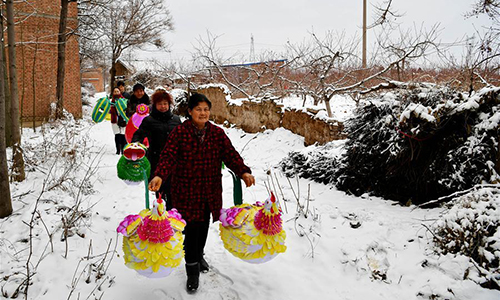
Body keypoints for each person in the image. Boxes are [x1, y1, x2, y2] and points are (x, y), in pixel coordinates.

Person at [149, 93, 255, 294]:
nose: (203, 113)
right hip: (185, 191)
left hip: (209, 190)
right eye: (199, 109)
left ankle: (198, 255)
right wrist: (160, 176)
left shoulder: (217, 133)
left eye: (206, 109)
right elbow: (168, 156)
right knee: (190, 229)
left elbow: (230, 154)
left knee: (203, 225)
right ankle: (192, 270)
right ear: (190, 111)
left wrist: (243, 171)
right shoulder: (179, 133)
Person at [131, 90, 181, 206]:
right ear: (155, 105)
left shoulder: (176, 120)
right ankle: (162, 218)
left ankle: (174, 217)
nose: (163, 106)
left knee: (175, 192)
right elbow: (139, 134)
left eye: (165, 104)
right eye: (160, 104)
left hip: (175, 162)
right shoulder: (149, 120)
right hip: (156, 161)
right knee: (161, 192)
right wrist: (135, 145)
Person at [110, 87, 127, 154]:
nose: (116, 93)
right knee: (117, 135)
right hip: (114, 119)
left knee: (123, 134)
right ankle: (118, 150)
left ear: (120, 92)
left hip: (122, 119)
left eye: (117, 91)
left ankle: (123, 150)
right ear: (113, 93)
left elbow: (126, 109)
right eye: (115, 91)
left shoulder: (124, 100)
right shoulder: (111, 101)